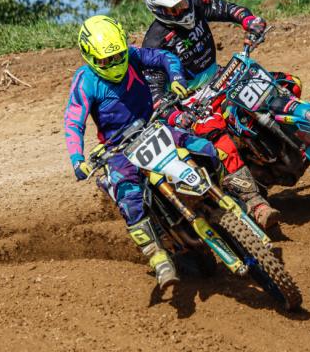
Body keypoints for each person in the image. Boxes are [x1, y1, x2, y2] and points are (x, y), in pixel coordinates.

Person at [64, 15, 219, 291]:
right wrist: (78, 160)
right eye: (105, 61)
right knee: (129, 195)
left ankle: (223, 198)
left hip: (154, 126)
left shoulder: (134, 55)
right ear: (90, 57)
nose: (114, 63)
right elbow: (73, 122)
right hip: (118, 148)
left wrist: (176, 78)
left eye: (118, 56)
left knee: (205, 148)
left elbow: (164, 57)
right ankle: (157, 255)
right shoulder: (85, 80)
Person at [141, 0, 291, 230]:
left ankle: (298, 142)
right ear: (159, 10)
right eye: (174, 8)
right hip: (193, 99)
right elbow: (155, 94)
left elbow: (229, 9)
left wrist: (250, 21)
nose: (183, 9)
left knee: (286, 84)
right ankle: (255, 203)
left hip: (221, 74)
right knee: (221, 140)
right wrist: (177, 115)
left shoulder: (196, 3)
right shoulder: (154, 43)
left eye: (183, 2)